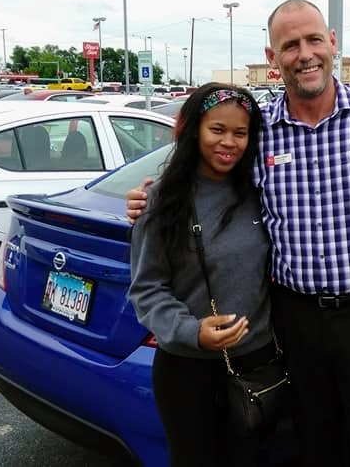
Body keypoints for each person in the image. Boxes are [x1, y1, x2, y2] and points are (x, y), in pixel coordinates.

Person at [127, 0, 350, 467]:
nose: (304, 54)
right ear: (273, 59)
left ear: (332, 42)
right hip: (294, 324)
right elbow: (207, 175)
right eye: (290, 45)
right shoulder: (259, 130)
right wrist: (151, 198)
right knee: (314, 447)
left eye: (314, 40)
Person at [127, 83, 275, 467]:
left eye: (240, 133)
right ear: (193, 130)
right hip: (188, 373)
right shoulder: (162, 200)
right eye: (217, 130)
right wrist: (193, 331)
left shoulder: (262, 191)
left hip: (258, 367)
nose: (229, 142)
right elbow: (147, 289)